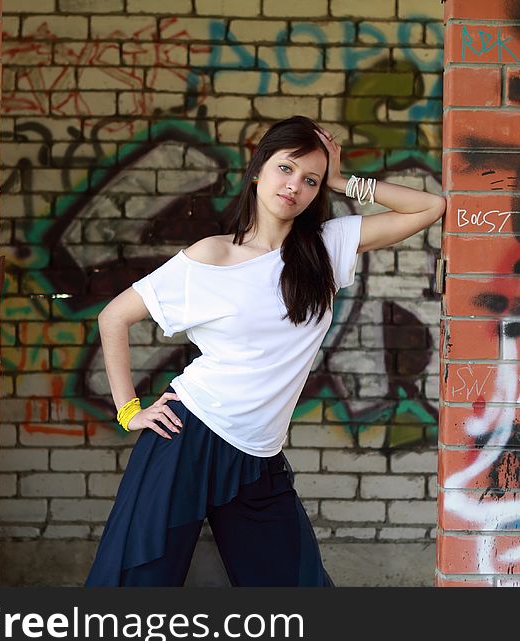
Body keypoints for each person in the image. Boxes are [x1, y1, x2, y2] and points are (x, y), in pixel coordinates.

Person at [85, 116, 446, 587]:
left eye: (310, 179)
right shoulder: (210, 257)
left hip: (258, 455)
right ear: (259, 170)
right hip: (188, 437)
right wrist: (128, 410)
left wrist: (342, 180)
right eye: (286, 169)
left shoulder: (325, 248)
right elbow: (113, 316)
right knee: (137, 581)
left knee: (295, 584)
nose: (294, 185)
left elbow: (429, 207)